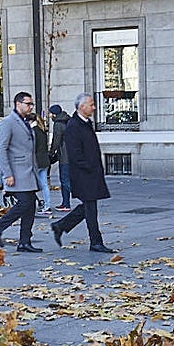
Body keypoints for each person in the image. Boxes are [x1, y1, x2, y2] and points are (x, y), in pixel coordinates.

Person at [50, 94, 115, 253]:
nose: (93, 107)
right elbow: (75, 153)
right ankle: (95, 242)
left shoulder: (85, 123)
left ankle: (60, 226)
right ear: (81, 107)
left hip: (91, 173)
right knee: (91, 209)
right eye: (91, 105)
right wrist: (89, 168)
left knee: (88, 207)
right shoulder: (74, 125)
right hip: (83, 174)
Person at [0, 92, 41, 252]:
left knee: (30, 207)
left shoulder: (25, 122)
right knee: (24, 204)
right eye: (28, 104)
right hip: (16, 174)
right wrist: (7, 174)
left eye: (32, 104)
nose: (31, 107)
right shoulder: (7, 123)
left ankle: (25, 242)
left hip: (29, 172)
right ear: (18, 104)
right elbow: (0, 149)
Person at [49, 104, 71, 210]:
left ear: (54, 114)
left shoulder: (58, 124)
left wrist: (52, 152)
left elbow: (56, 140)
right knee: (66, 179)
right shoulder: (68, 120)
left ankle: (69, 202)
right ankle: (65, 203)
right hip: (71, 154)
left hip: (64, 156)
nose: (49, 115)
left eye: (50, 113)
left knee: (64, 180)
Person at [32, 113, 52, 217]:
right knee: (44, 185)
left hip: (36, 161)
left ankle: (31, 205)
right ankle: (47, 206)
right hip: (44, 160)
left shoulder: (33, 131)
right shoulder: (42, 131)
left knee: (30, 185)